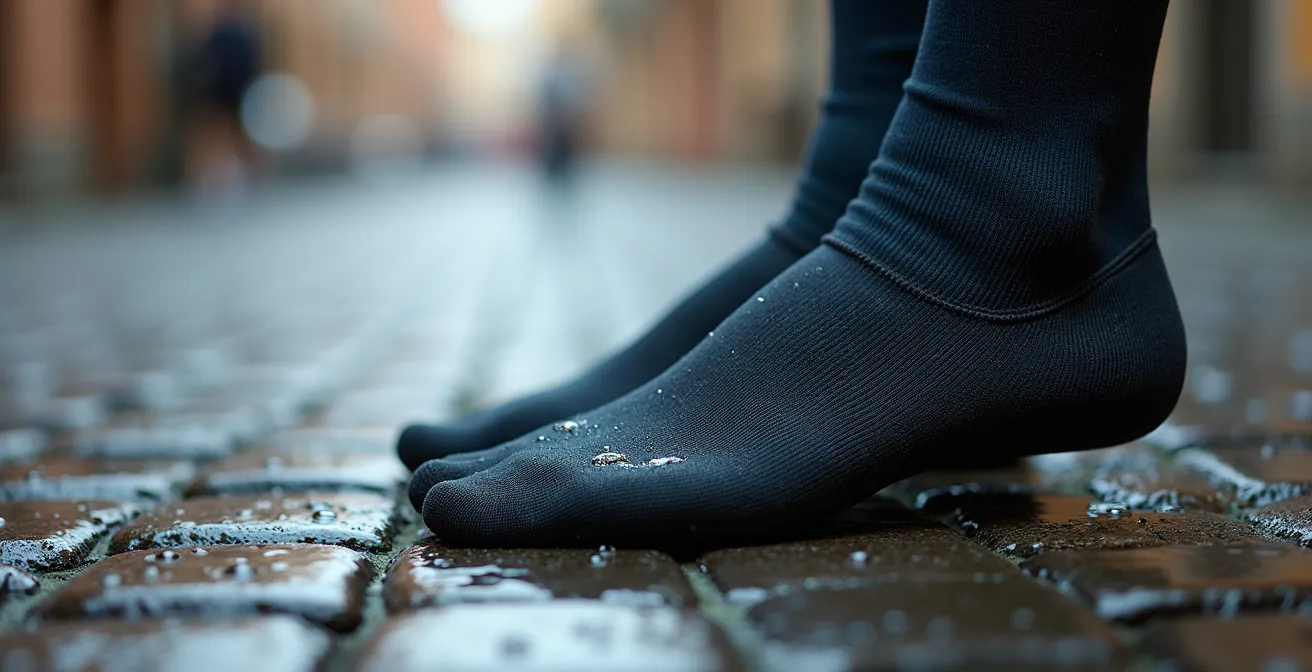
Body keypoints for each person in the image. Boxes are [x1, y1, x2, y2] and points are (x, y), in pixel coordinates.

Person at [401, 0, 1186, 546]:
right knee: (870, 156)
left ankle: (997, 213)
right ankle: (916, 198)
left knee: (971, 180)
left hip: (1012, 243)